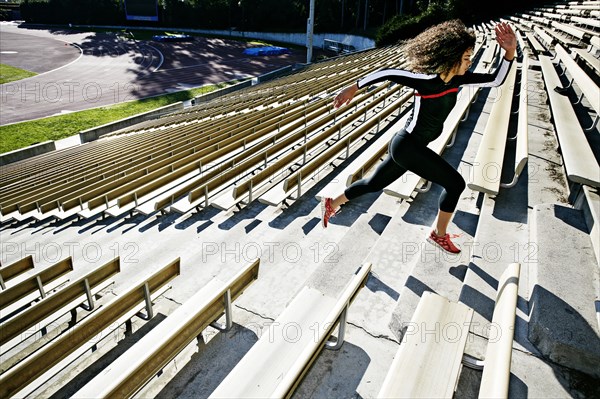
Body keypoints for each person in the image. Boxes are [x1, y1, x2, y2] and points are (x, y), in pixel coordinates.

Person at [321, 19, 516, 254]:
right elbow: (387, 73)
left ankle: (332, 203)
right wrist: (353, 87)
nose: (469, 62)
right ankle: (439, 235)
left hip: (410, 146)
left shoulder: (459, 79)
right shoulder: (426, 81)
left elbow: (496, 79)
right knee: (456, 184)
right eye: (465, 58)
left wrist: (510, 52)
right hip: (408, 147)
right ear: (450, 57)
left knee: (373, 184)